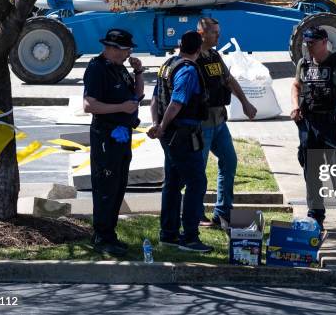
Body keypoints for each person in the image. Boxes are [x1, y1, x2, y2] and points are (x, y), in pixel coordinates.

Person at [148, 31, 213, 253]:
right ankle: (190, 238)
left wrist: (157, 124)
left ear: (180, 46)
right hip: (182, 135)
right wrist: (163, 127)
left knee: (173, 182)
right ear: (199, 49)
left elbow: (155, 98)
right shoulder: (187, 70)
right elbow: (176, 103)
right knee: (197, 183)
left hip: (169, 135)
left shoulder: (167, 65)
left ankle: (168, 234)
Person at [83, 29, 144, 257]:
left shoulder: (120, 68)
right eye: (126, 49)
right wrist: (120, 108)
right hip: (106, 136)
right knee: (106, 186)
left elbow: (136, 96)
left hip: (122, 134)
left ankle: (110, 233)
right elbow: (89, 105)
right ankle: (101, 235)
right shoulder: (97, 69)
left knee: (119, 185)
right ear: (112, 49)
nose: (129, 53)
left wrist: (138, 72)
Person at [290, 26, 336, 233]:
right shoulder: (304, 63)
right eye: (306, 43)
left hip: (335, 127)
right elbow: (296, 85)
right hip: (310, 126)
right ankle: (315, 217)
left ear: (324, 42)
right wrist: (294, 105)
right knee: (312, 173)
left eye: (312, 43)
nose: (308, 47)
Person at [196, 18, 257, 228]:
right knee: (198, 171)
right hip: (201, 124)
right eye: (214, 32)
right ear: (201, 34)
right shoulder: (192, 58)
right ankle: (196, 213)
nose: (218, 36)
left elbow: (228, 80)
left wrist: (246, 103)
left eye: (218, 32)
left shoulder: (214, 55)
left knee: (229, 162)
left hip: (219, 121)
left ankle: (222, 212)